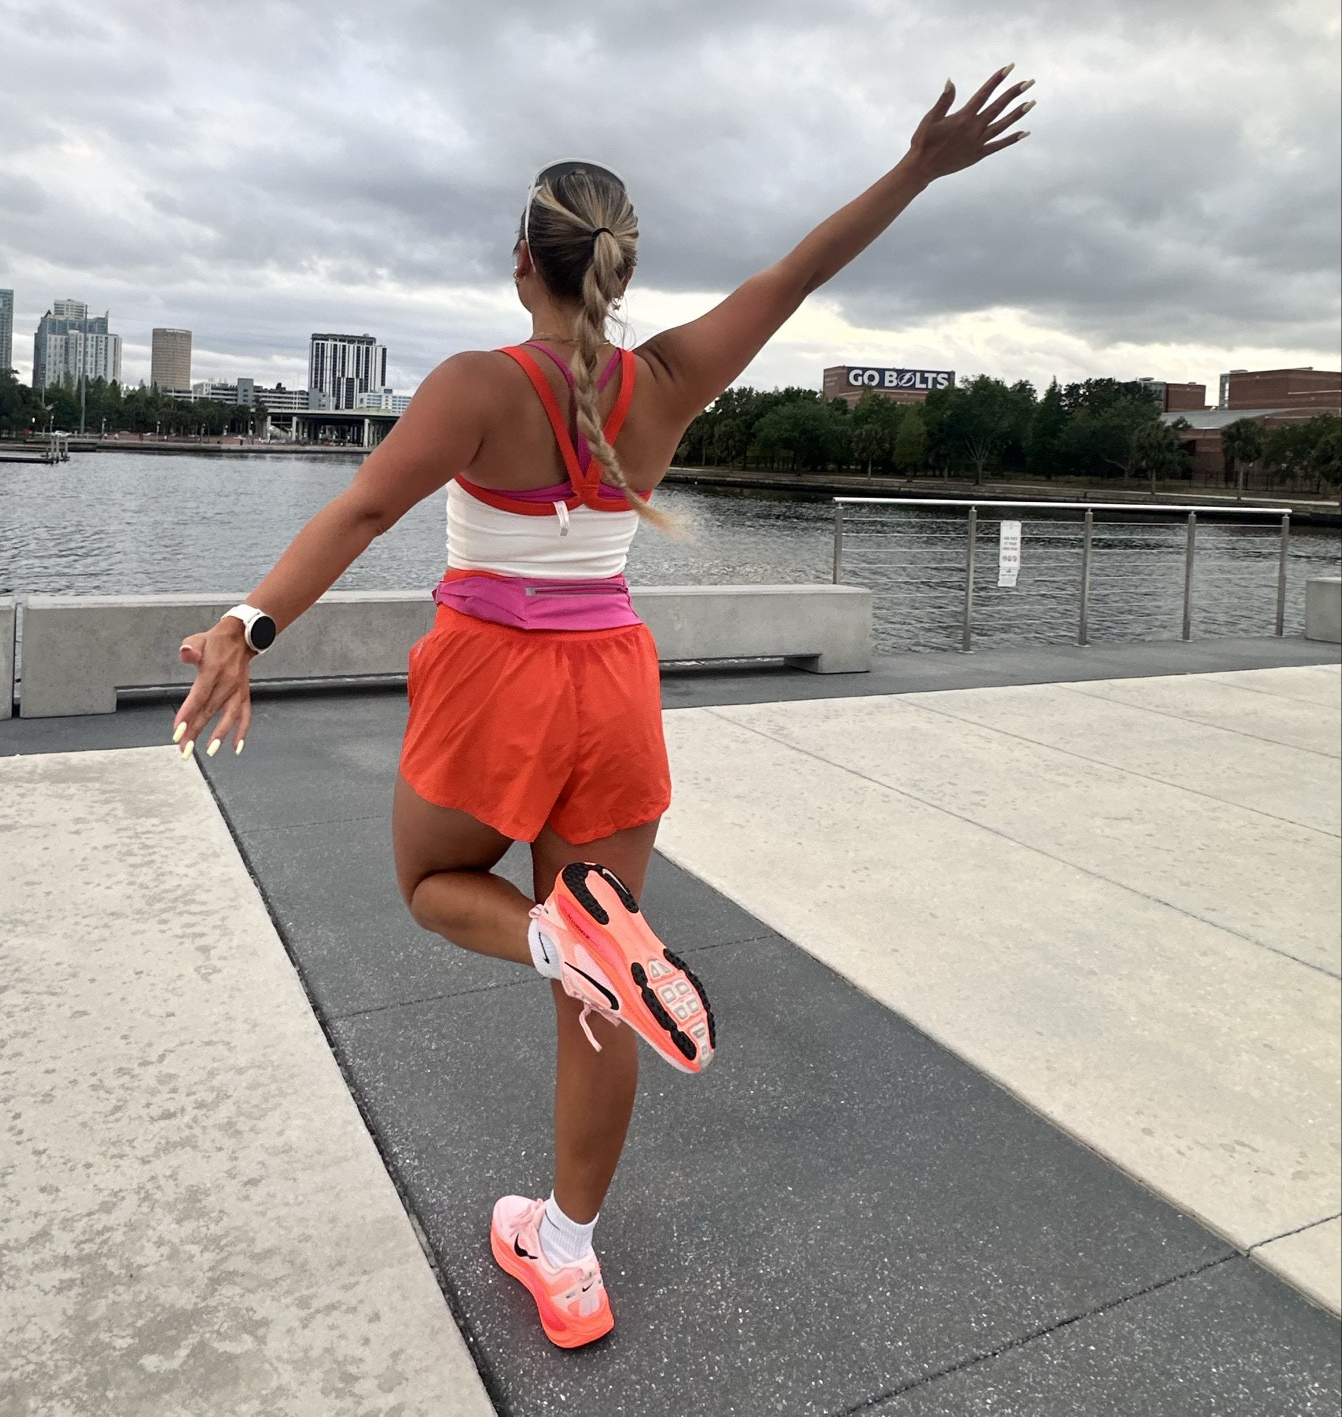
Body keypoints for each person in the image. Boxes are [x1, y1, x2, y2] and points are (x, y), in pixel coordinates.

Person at [172, 68, 1033, 1348]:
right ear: (618, 272)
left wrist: (248, 627)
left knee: (433, 887)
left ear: (524, 261)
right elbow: (796, 277)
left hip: (492, 685)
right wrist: (914, 168)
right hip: (614, 691)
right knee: (602, 979)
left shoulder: (475, 385)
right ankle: (567, 1252)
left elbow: (360, 510)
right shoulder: (672, 378)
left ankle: (553, 940)